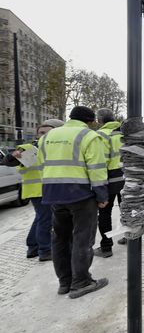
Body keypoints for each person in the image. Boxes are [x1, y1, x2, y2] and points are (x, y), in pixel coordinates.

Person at [38, 105, 109, 298]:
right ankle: (81, 282)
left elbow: (41, 164)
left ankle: (64, 283)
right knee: (82, 238)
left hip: (53, 194)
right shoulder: (89, 136)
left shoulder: (46, 137)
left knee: (60, 238)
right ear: (90, 121)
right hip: (80, 195)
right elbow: (96, 169)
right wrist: (102, 196)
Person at [3, 119, 64, 261]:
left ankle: (32, 247)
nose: (42, 135)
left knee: (40, 218)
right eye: (40, 133)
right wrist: (13, 155)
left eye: (45, 132)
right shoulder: (28, 148)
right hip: (37, 190)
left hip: (47, 189)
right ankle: (44, 250)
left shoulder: (54, 147)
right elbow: (8, 161)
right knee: (45, 219)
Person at [94, 108, 124, 255]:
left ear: (99, 120)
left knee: (105, 213)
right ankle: (130, 236)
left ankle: (106, 247)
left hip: (109, 180)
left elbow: (100, 162)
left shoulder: (101, 135)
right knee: (128, 209)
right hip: (128, 178)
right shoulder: (126, 134)